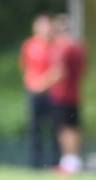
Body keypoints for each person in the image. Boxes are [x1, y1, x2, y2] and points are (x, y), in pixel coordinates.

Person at [19, 14, 59, 169]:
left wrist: (44, 83)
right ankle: (35, 164)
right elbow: (26, 67)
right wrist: (33, 84)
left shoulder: (56, 47)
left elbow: (58, 70)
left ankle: (55, 163)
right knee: (35, 129)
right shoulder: (29, 45)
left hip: (52, 92)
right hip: (34, 92)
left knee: (55, 129)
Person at [49, 14, 87, 175]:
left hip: (62, 94)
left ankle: (69, 163)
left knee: (65, 129)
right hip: (74, 93)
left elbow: (59, 71)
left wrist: (41, 84)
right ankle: (73, 161)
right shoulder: (78, 46)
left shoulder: (63, 47)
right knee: (74, 128)